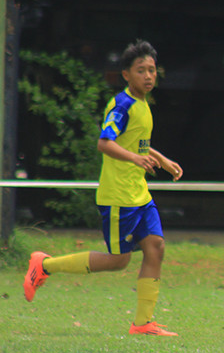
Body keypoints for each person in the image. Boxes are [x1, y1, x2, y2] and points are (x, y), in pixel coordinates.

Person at [23, 39, 184, 336]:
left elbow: (138, 145)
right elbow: (105, 143)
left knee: (155, 247)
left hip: (139, 194)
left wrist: (161, 159)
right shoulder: (122, 105)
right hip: (118, 197)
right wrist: (136, 159)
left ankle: (143, 323)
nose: (148, 76)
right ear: (126, 75)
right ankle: (45, 265)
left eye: (152, 70)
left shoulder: (142, 104)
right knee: (117, 261)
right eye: (141, 71)